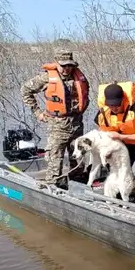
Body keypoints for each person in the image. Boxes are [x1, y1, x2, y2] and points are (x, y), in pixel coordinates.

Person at [21, 51, 90, 189]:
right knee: (55, 159)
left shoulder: (79, 77)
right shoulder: (47, 78)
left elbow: (86, 94)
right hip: (57, 126)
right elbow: (25, 90)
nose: (67, 69)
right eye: (63, 66)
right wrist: (38, 112)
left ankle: (78, 186)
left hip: (77, 125)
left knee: (78, 158)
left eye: (69, 65)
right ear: (57, 64)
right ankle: (53, 188)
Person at [94, 81, 135, 182]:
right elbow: (101, 132)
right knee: (121, 168)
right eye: (111, 105)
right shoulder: (104, 112)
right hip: (126, 143)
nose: (114, 108)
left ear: (122, 100)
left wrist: (120, 137)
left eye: (116, 105)